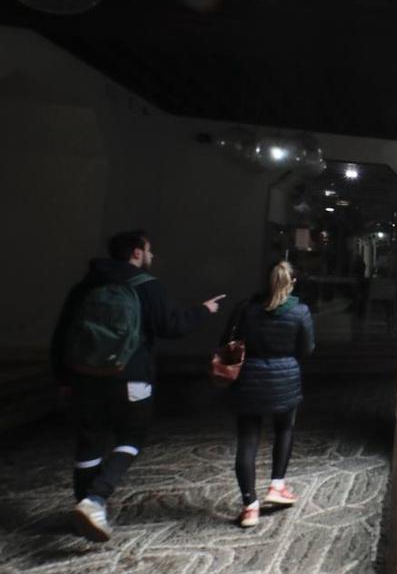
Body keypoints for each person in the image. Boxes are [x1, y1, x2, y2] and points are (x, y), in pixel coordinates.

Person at [50, 230, 226, 542]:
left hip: (84, 374)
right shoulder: (146, 286)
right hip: (130, 375)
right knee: (132, 434)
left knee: (89, 439)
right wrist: (203, 310)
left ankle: (85, 506)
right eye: (149, 250)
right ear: (136, 253)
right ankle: (95, 500)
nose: (152, 256)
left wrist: (63, 377)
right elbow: (172, 326)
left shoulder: (85, 286)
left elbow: (63, 334)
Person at [224, 260, 314, 528]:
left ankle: (249, 506)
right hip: (285, 380)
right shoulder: (300, 312)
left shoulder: (246, 309)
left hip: (249, 380)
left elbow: (227, 341)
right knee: (285, 429)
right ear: (293, 282)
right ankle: (277, 486)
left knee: (248, 440)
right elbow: (307, 349)